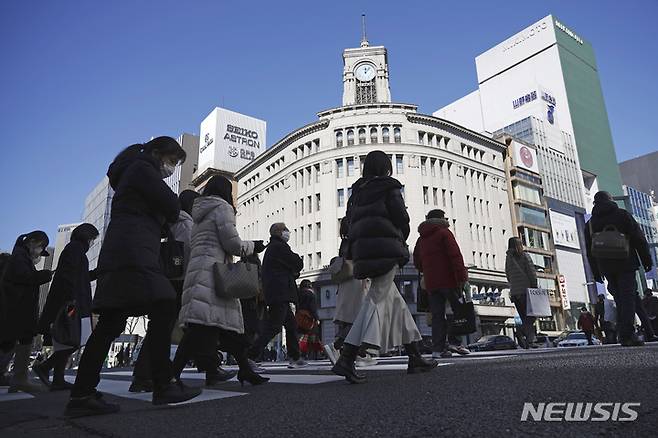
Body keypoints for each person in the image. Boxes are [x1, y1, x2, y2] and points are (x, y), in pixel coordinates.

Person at [65, 137, 201, 418]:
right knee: (164, 303)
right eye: (172, 161)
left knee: (110, 323)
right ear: (157, 153)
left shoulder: (132, 173)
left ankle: (82, 394)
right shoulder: (142, 168)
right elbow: (171, 206)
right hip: (135, 251)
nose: (172, 169)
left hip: (124, 250)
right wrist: (167, 212)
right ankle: (163, 385)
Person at [332, 151, 436, 384]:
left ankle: (415, 355)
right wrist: (400, 237)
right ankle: (346, 358)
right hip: (386, 252)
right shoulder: (389, 187)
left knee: (397, 305)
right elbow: (402, 218)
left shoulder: (356, 192)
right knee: (374, 301)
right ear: (386, 167)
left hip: (364, 254)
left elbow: (348, 223)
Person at [130, 189, 236, 392]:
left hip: (165, 279)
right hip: (180, 281)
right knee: (180, 328)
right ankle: (158, 374)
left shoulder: (170, 222)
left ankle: (148, 375)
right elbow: (189, 252)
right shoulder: (187, 223)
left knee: (166, 327)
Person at [174, 175, 268, 387]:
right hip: (214, 275)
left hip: (199, 271)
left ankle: (244, 369)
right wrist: (253, 246)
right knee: (202, 328)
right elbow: (233, 244)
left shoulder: (198, 213)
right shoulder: (222, 208)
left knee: (226, 328)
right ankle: (172, 375)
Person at [35, 223, 99, 391]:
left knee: (66, 340)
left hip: (69, 301)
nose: (92, 242)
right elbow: (70, 277)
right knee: (73, 340)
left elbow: (80, 277)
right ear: (87, 236)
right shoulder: (75, 249)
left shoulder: (74, 250)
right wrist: (72, 301)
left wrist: (97, 273)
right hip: (71, 303)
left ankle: (58, 379)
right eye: (92, 238)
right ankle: (45, 367)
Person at [584, 191, 653, 347]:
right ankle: (627, 334)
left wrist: (596, 273)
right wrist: (646, 259)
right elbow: (638, 238)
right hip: (626, 262)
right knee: (628, 298)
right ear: (610, 200)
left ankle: (637, 332)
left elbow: (589, 251)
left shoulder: (590, 223)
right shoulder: (622, 215)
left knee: (623, 298)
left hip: (606, 266)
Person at [248, 223, 308, 369]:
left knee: (291, 325)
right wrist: (297, 261)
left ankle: (295, 356)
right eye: (285, 229)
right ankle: (250, 356)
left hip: (278, 292)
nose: (288, 232)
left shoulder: (272, 248)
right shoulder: (279, 247)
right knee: (274, 326)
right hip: (280, 292)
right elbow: (296, 263)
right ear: (279, 232)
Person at [0, 231, 53, 393]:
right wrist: (44, 275)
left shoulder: (20, 257)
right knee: (12, 341)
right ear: (33, 242)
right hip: (17, 310)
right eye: (40, 248)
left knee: (16, 341)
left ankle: (19, 378)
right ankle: (19, 379)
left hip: (19, 310)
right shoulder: (19, 257)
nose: (39, 255)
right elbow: (25, 278)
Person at [413, 209, 470, 359]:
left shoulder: (421, 238)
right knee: (457, 311)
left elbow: (417, 261)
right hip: (449, 280)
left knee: (437, 316)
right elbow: (455, 256)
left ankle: (438, 349)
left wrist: (428, 270)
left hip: (432, 283)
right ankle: (455, 341)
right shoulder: (444, 233)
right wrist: (462, 277)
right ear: (440, 219)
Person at [324, 220, 376, 367]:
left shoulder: (345, 241)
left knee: (353, 318)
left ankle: (357, 353)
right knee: (358, 318)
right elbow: (362, 261)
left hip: (348, 282)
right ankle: (336, 346)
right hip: (356, 281)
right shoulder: (356, 241)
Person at [505, 237, 538, 349]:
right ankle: (522, 333)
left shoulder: (508, 258)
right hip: (526, 291)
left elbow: (508, 275)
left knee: (525, 316)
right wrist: (534, 286)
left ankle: (529, 341)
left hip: (515, 292)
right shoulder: (525, 256)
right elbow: (532, 273)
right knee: (531, 317)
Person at [297, 280, 322, 360]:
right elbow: (313, 308)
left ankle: (300, 353)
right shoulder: (311, 294)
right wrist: (317, 318)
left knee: (301, 336)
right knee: (313, 336)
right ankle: (315, 354)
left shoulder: (298, 294)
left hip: (299, 316)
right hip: (309, 317)